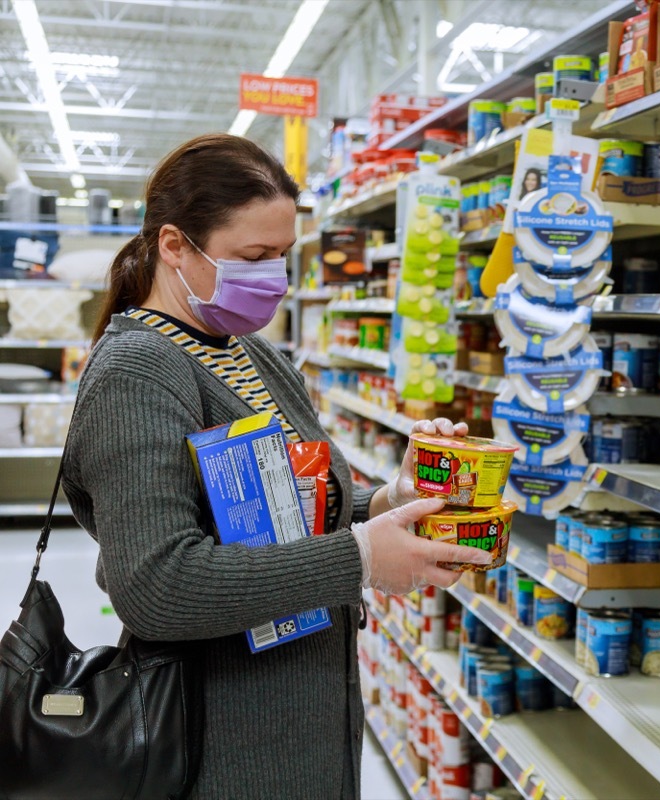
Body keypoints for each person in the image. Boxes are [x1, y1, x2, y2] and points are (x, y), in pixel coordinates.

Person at [60, 133, 490, 799]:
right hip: (224, 745)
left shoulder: (250, 354)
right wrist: (361, 560)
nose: (274, 280)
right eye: (254, 257)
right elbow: (154, 584)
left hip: (301, 723)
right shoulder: (137, 373)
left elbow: (295, 501)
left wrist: (389, 502)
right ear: (174, 246)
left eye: (283, 257)